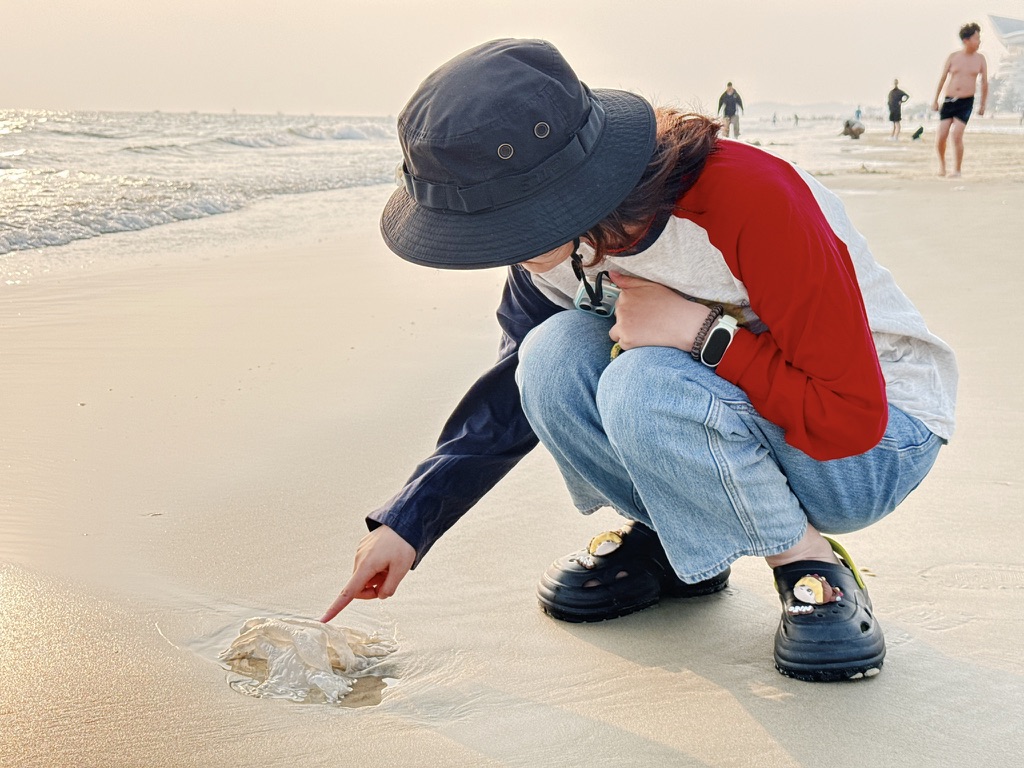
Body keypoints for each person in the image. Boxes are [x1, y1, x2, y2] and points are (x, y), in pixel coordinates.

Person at [320, 39, 958, 682]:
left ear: (565, 189)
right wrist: (411, 522)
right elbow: (514, 396)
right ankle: (680, 547)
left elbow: (852, 420)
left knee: (641, 380)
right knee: (547, 356)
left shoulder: (749, 198)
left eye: (503, 222)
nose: (495, 247)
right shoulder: (545, 255)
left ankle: (808, 564)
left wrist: (708, 336)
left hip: (873, 449)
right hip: (742, 416)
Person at [932, 22, 988, 177]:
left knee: (956, 134)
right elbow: (943, 78)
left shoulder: (980, 59)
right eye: (976, 38)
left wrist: (983, 104)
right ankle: (942, 167)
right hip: (949, 100)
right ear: (966, 40)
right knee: (941, 135)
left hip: (966, 102)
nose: (979, 42)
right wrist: (936, 100)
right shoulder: (954, 57)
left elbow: (984, 83)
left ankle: (957, 170)